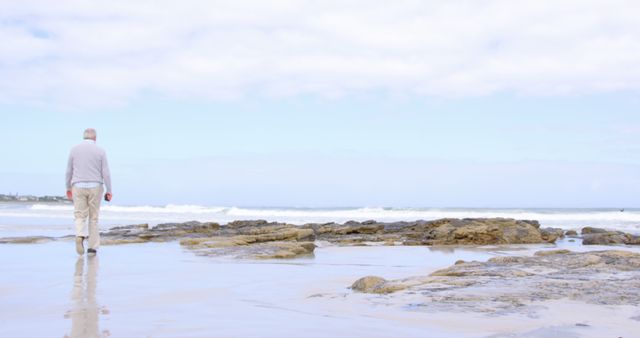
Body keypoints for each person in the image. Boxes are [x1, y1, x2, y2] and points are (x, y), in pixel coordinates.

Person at [65, 128, 112, 255]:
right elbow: (106, 172)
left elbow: (69, 170)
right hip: (96, 186)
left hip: (78, 185)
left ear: (83, 137)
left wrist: (68, 187)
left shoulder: (74, 149)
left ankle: (80, 235)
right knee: (93, 218)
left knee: (80, 215)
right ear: (95, 138)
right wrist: (109, 190)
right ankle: (92, 248)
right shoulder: (100, 151)